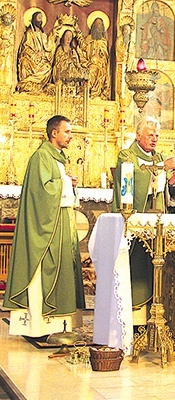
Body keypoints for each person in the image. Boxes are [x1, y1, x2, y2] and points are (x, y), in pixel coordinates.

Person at [2, 115, 85, 337]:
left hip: (61, 223)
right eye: (67, 131)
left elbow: (56, 186)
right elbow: (43, 192)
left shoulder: (58, 158)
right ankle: (39, 325)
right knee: (45, 270)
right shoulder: (41, 157)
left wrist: (69, 182)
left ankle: (60, 325)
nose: (70, 136)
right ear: (54, 133)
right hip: (47, 227)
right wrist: (66, 182)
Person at [111, 116, 175, 309]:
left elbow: (163, 189)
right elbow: (135, 178)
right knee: (136, 265)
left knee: (155, 264)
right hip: (134, 220)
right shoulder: (126, 156)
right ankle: (131, 310)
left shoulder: (158, 157)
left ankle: (155, 308)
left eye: (157, 136)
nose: (154, 139)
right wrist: (163, 168)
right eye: (150, 135)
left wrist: (171, 183)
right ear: (138, 135)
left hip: (156, 221)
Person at [16, 11, 55, 94]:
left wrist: (53, 35)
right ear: (34, 20)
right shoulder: (29, 34)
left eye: (41, 18)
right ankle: (27, 83)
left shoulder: (43, 35)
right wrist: (34, 55)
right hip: (31, 59)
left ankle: (38, 86)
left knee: (48, 67)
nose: (41, 20)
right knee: (25, 62)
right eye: (39, 18)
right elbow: (25, 48)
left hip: (41, 60)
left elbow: (48, 48)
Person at [83, 17, 110, 99]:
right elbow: (83, 50)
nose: (98, 26)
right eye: (96, 24)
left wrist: (100, 58)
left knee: (98, 71)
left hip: (101, 65)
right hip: (89, 63)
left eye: (100, 24)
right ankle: (89, 92)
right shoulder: (88, 39)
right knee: (91, 70)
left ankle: (97, 92)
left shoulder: (104, 41)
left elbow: (106, 56)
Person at [0, 7, 16, 86]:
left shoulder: (12, 28)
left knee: (8, 67)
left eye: (9, 18)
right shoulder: (0, 27)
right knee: (1, 66)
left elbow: (13, 39)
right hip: (1, 50)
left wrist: (8, 39)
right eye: (6, 18)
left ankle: (6, 84)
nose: (7, 20)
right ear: (2, 18)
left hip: (9, 50)